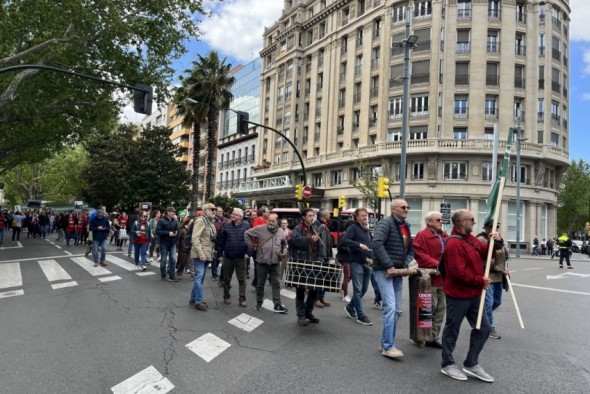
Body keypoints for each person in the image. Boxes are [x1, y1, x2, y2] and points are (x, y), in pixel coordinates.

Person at [440, 209, 496, 383]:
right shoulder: (454, 244)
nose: (474, 221)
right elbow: (458, 273)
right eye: (471, 219)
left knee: (484, 328)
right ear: (461, 222)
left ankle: (471, 363)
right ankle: (447, 364)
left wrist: (495, 243)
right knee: (452, 329)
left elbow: (485, 253)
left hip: (474, 295)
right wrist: (480, 281)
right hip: (458, 295)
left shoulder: (470, 239)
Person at [371, 199, 414, 359]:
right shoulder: (385, 223)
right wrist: (389, 266)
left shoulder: (405, 226)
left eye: (407, 207)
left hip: (398, 272)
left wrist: (405, 263)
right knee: (390, 308)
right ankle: (388, 346)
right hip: (384, 271)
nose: (407, 209)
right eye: (404, 207)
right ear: (394, 209)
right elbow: (377, 243)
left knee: (396, 310)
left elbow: (410, 249)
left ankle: (385, 344)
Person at [413, 211, 449, 348]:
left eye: (441, 219)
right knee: (428, 308)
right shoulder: (422, 235)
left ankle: (432, 337)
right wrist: (436, 264)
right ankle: (421, 336)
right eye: (438, 220)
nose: (441, 222)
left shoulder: (444, 235)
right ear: (430, 222)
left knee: (440, 309)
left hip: (443, 279)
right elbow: (418, 253)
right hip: (429, 279)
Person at [245, 213, 289, 313]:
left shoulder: (281, 231)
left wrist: (283, 253)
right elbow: (247, 233)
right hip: (262, 262)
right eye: (269, 220)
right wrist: (251, 246)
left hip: (275, 262)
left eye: (273, 221)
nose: (270, 222)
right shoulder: (260, 228)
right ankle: (259, 302)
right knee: (260, 284)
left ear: (277, 221)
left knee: (276, 284)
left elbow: (285, 245)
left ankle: (277, 304)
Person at [291, 208, 325, 326]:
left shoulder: (314, 229)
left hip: (314, 264)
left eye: (313, 216)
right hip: (301, 263)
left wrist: (320, 258)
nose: (312, 218)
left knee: (314, 290)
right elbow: (295, 241)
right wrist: (310, 239)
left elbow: (319, 245)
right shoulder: (298, 228)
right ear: (304, 217)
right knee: (300, 291)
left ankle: (308, 312)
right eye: (309, 216)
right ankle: (301, 316)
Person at [341, 208, 374, 326]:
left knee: (364, 289)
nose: (365, 218)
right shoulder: (353, 228)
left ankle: (350, 307)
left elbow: (371, 244)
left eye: (366, 216)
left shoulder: (367, 230)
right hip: (357, 262)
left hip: (368, 262)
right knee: (358, 290)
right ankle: (361, 315)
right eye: (363, 216)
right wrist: (359, 245)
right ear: (357, 218)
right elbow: (344, 240)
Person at [476, 220, 509, 340]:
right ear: (485, 227)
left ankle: (480, 318)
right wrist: (498, 267)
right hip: (487, 275)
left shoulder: (499, 239)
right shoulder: (481, 239)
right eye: (492, 226)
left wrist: (504, 267)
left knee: (497, 302)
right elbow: (482, 258)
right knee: (488, 304)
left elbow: (504, 256)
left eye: (497, 226)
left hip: (499, 276)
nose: (495, 228)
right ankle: (489, 327)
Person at [217, 208, 251, 307]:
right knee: (227, 278)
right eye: (232, 214)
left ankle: (242, 299)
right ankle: (226, 296)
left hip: (241, 257)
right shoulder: (226, 225)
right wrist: (219, 255)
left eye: (235, 215)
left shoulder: (247, 225)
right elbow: (221, 241)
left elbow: (251, 240)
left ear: (240, 217)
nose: (232, 216)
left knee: (242, 279)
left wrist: (248, 253)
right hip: (228, 256)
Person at [189, 203, 217, 311]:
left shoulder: (210, 222)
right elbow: (195, 238)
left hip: (207, 253)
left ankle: (194, 298)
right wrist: (200, 253)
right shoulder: (200, 221)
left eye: (215, 209)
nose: (214, 211)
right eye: (212, 209)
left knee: (200, 277)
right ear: (205, 210)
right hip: (200, 254)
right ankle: (198, 302)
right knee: (199, 276)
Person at [312, 208, 333, 308]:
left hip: (326, 255)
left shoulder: (325, 226)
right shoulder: (316, 225)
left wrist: (331, 254)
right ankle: (316, 299)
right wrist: (318, 257)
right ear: (324, 216)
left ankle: (321, 297)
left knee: (325, 278)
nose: (330, 215)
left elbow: (328, 241)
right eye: (328, 213)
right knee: (318, 278)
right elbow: (316, 241)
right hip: (320, 256)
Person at [156, 207, 180, 281]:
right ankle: (163, 275)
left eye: (174, 212)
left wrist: (176, 233)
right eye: (172, 212)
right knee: (163, 260)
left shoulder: (175, 221)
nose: (174, 213)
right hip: (164, 243)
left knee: (173, 259)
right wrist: (167, 233)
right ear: (168, 212)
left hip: (172, 243)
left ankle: (172, 276)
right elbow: (158, 231)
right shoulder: (161, 221)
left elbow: (177, 230)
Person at [211, 206, 227, 281]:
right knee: (215, 259)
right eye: (219, 211)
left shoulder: (226, 220)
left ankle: (221, 276)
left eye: (222, 211)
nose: (221, 213)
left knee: (222, 259)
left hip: (223, 242)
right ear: (216, 212)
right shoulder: (212, 221)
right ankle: (214, 274)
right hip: (214, 242)